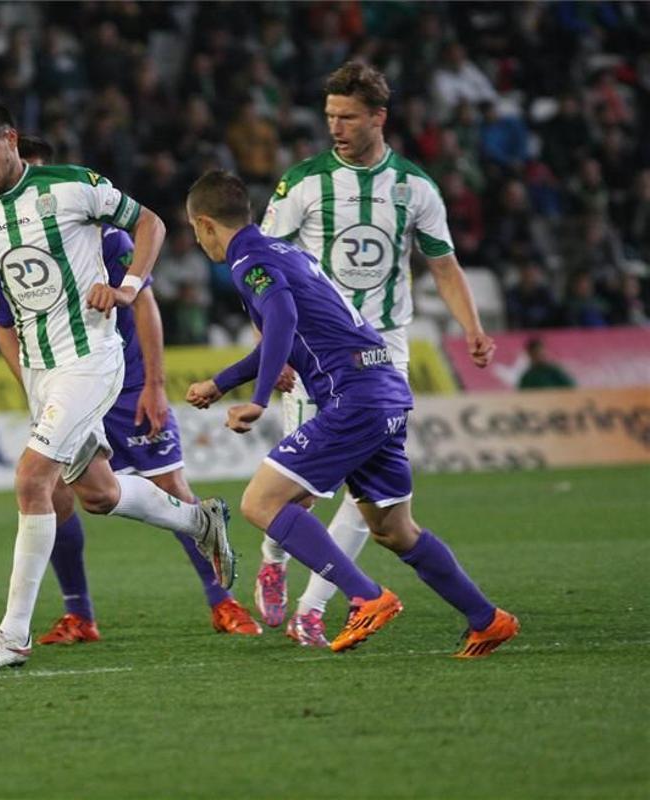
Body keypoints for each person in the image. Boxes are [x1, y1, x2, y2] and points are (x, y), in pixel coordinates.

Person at [0, 96, 233, 671]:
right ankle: (197, 520)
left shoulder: (72, 186)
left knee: (31, 480)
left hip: (90, 361)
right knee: (99, 494)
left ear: (11, 139)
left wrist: (128, 288)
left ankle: (12, 635)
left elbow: (151, 223)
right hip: (41, 372)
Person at [184, 169, 519, 658]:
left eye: (194, 231)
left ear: (206, 224)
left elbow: (281, 318)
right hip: (384, 389)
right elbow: (290, 331)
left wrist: (258, 398)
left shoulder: (249, 260)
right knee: (393, 530)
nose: (198, 241)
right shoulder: (288, 253)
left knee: (261, 502)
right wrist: (220, 383)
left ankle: (366, 596)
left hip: (353, 397)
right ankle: (488, 620)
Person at [256, 62, 496, 647]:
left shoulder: (415, 188)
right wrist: (271, 346)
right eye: (330, 116)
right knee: (300, 492)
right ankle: (272, 558)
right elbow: (263, 269)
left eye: (348, 117)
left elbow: (443, 266)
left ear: (378, 118)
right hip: (317, 349)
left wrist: (472, 327)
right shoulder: (304, 184)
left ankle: (314, 608)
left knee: (368, 494)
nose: (335, 127)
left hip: (385, 351)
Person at [0, 135, 259, 644]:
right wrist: (40, 393)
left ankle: (224, 602)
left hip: (124, 382)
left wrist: (154, 385)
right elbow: (3, 327)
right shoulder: (2, 247)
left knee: (170, 486)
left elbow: (144, 304)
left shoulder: (103, 237)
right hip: (63, 387)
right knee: (57, 495)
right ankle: (79, 614)